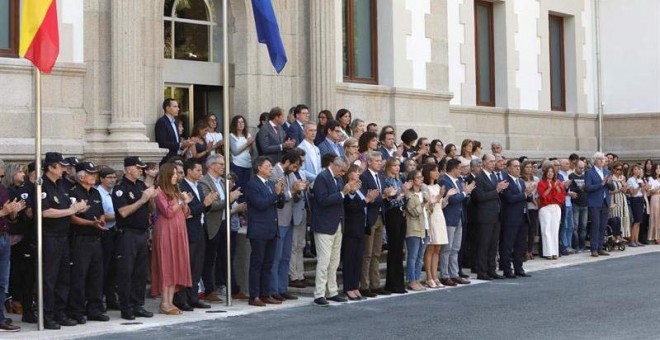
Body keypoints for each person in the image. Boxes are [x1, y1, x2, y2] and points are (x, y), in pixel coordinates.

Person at [39, 153, 88, 329]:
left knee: (63, 277)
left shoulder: (61, 185)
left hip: (63, 236)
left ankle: (60, 312)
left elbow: (67, 207)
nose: (64, 169)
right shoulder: (42, 185)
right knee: (50, 278)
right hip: (49, 236)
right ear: (50, 167)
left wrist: (78, 208)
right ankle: (48, 314)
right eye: (60, 166)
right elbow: (45, 212)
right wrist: (70, 211)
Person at [112, 156, 158, 320]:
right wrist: (143, 199)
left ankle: (138, 304)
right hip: (127, 234)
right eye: (138, 168)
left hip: (141, 233)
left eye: (141, 168)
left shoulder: (140, 185)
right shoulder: (120, 188)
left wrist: (151, 197)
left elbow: (151, 210)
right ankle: (126, 307)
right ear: (128, 169)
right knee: (126, 272)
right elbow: (123, 212)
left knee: (140, 272)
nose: (140, 170)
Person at [311, 157, 356, 306]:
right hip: (324, 224)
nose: (342, 173)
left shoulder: (338, 179)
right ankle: (319, 293)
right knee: (324, 260)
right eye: (341, 170)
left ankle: (332, 291)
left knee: (334, 261)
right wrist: (343, 193)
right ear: (333, 165)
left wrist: (351, 192)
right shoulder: (322, 178)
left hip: (337, 223)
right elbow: (322, 201)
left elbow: (342, 199)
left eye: (344, 171)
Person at [198, 155, 243, 302]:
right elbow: (211, 205)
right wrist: (228, 199)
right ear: (211, 166)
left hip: (225, 222)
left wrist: (231, 200)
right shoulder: (204, 182)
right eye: (221, 164)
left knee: (227, 257)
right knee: (210, 258)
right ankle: (209, 290)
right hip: (212, 224)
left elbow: (224, 203)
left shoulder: (223, 181)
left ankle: (233, 287)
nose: (224, 167)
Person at [151, 163, 192, 315]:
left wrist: (185, 203)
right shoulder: (160, 191)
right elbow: (168, 212)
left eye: (177, 173)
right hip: (166, 231)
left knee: (176, 264)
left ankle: (170, 301)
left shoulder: (176, 190)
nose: (176, 176)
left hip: (179, 231)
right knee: (166, 265)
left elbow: (185, 213)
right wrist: (181, 202)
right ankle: (164, 302)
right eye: (173, 173)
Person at [245, 157, 285, 307]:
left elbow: (279, 205)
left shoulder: (271, 184)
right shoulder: (252, 185)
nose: (271, 168)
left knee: (268, 263)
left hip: (272, 228)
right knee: (257, 264)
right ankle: (254, 295)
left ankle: (265, 293)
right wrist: (276, 194)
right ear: (259, 168)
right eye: (268, 166)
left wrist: (280, 193)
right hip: (259, 229)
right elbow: (261, 204)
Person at [4, 163, 36, 324]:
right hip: (12, 236)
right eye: (19, 172)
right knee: (14, 274)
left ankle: (25, 305)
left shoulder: (25, 189)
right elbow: (12, 217)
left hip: (25, 236)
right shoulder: (8, 190)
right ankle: (14, 301)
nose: (22, 175)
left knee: (25, 273)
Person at [269, 151, 304, 301]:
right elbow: (280, 197)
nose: (295, 170)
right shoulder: (275, 173)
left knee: (285, 257)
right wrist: (293, 191)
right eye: (294, 166)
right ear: (287, 162)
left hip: (290, 219)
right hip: (279, 218)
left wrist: (299, 190)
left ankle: (283, 288)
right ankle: (273, 289)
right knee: (276, 257)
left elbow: (293, 196)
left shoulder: (290, 173)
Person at [472, 154, 508, 280]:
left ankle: (491, 270)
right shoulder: (479, 178)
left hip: (495, 215)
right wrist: (497, 190)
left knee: (493, 245)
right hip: (484, 216)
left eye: (494, 161)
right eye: (491, 161)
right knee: (484, 244)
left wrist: (499, 190)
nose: (493, 163)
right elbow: (479, 197)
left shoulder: (493, 176)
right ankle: (482, 271)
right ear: (484, 163)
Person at [343, 164, 377, 299]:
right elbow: (350, 207)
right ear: (349, 173)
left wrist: (369, 198)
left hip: (361, 227)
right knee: (350, 258)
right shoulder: (346, 187)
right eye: (355, 172)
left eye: (359, 172)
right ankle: (348, 287)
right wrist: (367, 200)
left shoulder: (359, 188)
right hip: (351, 228)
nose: (358, 174)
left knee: (358, 258)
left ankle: (354, 285)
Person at [439, 159, 474, 286]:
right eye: (460, 168)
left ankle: (454, 274)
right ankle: (444, 275)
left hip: (460, 216)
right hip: (449, 217)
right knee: (447, 249)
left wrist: (467, 194)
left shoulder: (459, 181)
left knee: (456, 248)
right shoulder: (444, 180)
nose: (462, 170)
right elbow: (452, 200)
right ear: (454, 168)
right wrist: (465, 192)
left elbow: (464, 201)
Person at [359, 151, 387, 297]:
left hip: (380, 216)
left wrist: (385, 196)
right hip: (369, 217)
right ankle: (364, 285)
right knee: (367, 253)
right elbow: (366, 198)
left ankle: (375, 284)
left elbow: (380, 197)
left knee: (376, 252)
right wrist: (384, 197)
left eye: (380, 161)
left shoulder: (381, 177)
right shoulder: (364, 177)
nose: (379, 163)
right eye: (376, 161)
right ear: (369, 162)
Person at [0, 160, 24, 332]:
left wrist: (14, 211)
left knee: (3, 281)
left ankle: (0, 317)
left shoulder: (2, 189)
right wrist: (4, 211)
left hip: (4, 236)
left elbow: (11, 217)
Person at [498, 159, 533, 277]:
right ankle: (507, 269)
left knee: (520, 244)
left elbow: (526, 198)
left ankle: (519, 268)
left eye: (519, 166)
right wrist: (524, 194)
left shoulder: (521, 181)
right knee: (508, 245)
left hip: (523, 217)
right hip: (511, 218)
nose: (518, 168)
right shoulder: (505, 181)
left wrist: (529, 194)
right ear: (508, 168)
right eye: (515, 166)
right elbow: (509, 198)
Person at [382, 157, 411, 294]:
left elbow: (403, 199)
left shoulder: (399, 180)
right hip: (392, 214)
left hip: (401, 214)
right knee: (394, 249)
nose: (397, 168)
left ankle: (399, 283)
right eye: (394, 165)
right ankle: (392, 283)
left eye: (398, 165)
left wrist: (404, 195)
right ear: (389, 167)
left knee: (399, 249)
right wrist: (401, 194)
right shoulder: (387, 180)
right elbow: (390, 202)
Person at [422, 163, 452, 287]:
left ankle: (435, 276)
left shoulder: (438, 185)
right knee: (430, 248)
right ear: (428, 172)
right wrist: (439, 196)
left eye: (437, 170)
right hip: (430, 218)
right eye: (434, 170)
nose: (437, 173)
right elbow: (428, 204)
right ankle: (429, 277)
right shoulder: (425, 186)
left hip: (440, 217)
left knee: (437, 248)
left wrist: (447, 196)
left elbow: (441, 204)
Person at [404, 170, 431, 291]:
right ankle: (411, 280)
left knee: (420, 256)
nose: (421, 179)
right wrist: (423, 204)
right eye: (418, 177)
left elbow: (429, 211)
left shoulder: (423, 193)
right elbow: (413, 212)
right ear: (412, 180)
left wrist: (429, 205)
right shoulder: (409, 194)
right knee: (413, 256)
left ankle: (417, 278)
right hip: (413, 228)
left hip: (425, 227)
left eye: (421, 177)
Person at [585, 152, 614, 257]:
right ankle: (593, 249)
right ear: (595, 160)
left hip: (605, 201)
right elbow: (588, 188)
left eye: (603, 159)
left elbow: (612, 188)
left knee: (603, 226)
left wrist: (609, 183)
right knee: (595, 225)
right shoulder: (589, 172)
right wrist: (601, 184)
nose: (603, 161)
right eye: (600, 159)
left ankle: (600, 247)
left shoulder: (606, 171)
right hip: (594, 202)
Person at [537, 163, 565, 259]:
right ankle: (548, 252)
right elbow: (542, 196)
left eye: (552, 172)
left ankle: (555, 252)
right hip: (545, 208)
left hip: (555, 207)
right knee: (546, 230)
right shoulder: (541, 183)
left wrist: (556, 188)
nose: (550, 173)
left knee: (555, 230)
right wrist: (549, 188)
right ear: (545, 173)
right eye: (548, 172)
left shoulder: (558, 182)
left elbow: (561, 196)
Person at [156, 98, 193, 165]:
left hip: (176, 158)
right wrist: (180, 145)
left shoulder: (175, 122)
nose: (178, 109)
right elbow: (162, 143)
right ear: (167, 108)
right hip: (167, 160)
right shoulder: (162, 122)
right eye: (175, 106)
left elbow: (176, 141)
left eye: (178, 106)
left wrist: (183, 145)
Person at [229, 115, 255, 199]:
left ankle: (244, 207)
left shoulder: (248, 135)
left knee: (246, 188)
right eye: (238, 122)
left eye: (242, 122)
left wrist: (251, 145)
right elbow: (235, 151)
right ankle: (236, 207)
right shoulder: (231, 136)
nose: (241, 124)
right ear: (234, 124)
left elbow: (251, 152)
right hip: (237, 165)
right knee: (237, 187)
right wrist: (247, 144)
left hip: (247, 164)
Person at [521, 161, 540, 258]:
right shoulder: (521, 180)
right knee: (525, 230)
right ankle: (524, 250)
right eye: (527, 167)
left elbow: (538, 192)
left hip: (534, 207)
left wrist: (534, 199)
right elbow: (524, 192)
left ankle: (530, 250)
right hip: (525, 206)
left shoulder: (536, 179)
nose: (529, 169)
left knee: (532, 230)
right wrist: (531, 198)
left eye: (530, 167)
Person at [568, 161, 588, 252]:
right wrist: (579, 188)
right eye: (579, 168)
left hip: (585, 203)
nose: (581, 169)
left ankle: (582, 245)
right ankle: (576, 246)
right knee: (575, 226)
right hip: (575, 203)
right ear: (575, 167)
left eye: (582, 168)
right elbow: (570, 189)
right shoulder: (571, 176)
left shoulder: (585, 176)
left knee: (583, 226)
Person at [608, 162, 630, 242]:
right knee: (616, 216)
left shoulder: (622, 177)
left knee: (623, 216)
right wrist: (618, 190)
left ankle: (622, 235)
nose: (619, 171)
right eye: (617, 169)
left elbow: (625, 190)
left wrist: (625, 187)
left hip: (622, 199)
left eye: (621, 169)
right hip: (614, 198)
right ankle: (615, 236)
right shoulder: (610, 178)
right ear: (613, 169)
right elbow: (609, 191)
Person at [627, 164, 647, 247]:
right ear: (632, 171)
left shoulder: (640, 180)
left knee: (639, 221)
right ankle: (632, 240)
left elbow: (642, 192)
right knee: (636, 220)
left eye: (638, 169)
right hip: (634, 200)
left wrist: (644, 187)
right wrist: (638, 186)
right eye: (635, 169)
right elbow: (632, 193)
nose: (637, 171)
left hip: (640, 199)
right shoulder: (630, 180)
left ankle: (636, 239)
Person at [647, 164, 660, 244]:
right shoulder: (651, 179)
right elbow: (651, 191)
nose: (659, 170)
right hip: (655, 198)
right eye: (657, 168)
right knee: (655, 217)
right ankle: (656, 237)